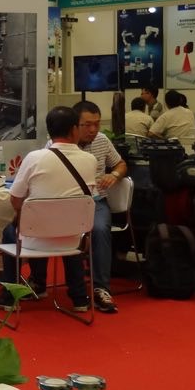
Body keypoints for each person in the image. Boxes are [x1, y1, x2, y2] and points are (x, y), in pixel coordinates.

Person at [2, 105, 98, 312]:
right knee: (69, 227)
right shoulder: (90, 160)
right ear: (74, 130)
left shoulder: (34, 158)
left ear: (49, 131)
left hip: (35, 240)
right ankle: (80, 298)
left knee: (10, 231)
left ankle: (10, 296)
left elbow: (15, 199)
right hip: (74, 240)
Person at [73, 100, 127, 314]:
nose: (93, 129)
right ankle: (38, 281)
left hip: (97, 201)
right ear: (74, 125)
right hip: (68, 203)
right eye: (87, 125)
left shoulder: (102, 140)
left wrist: (114, 174)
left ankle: (101, 288)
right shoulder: (61, 143)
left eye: (97, 124)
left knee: (100, 229)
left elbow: (121, 164)